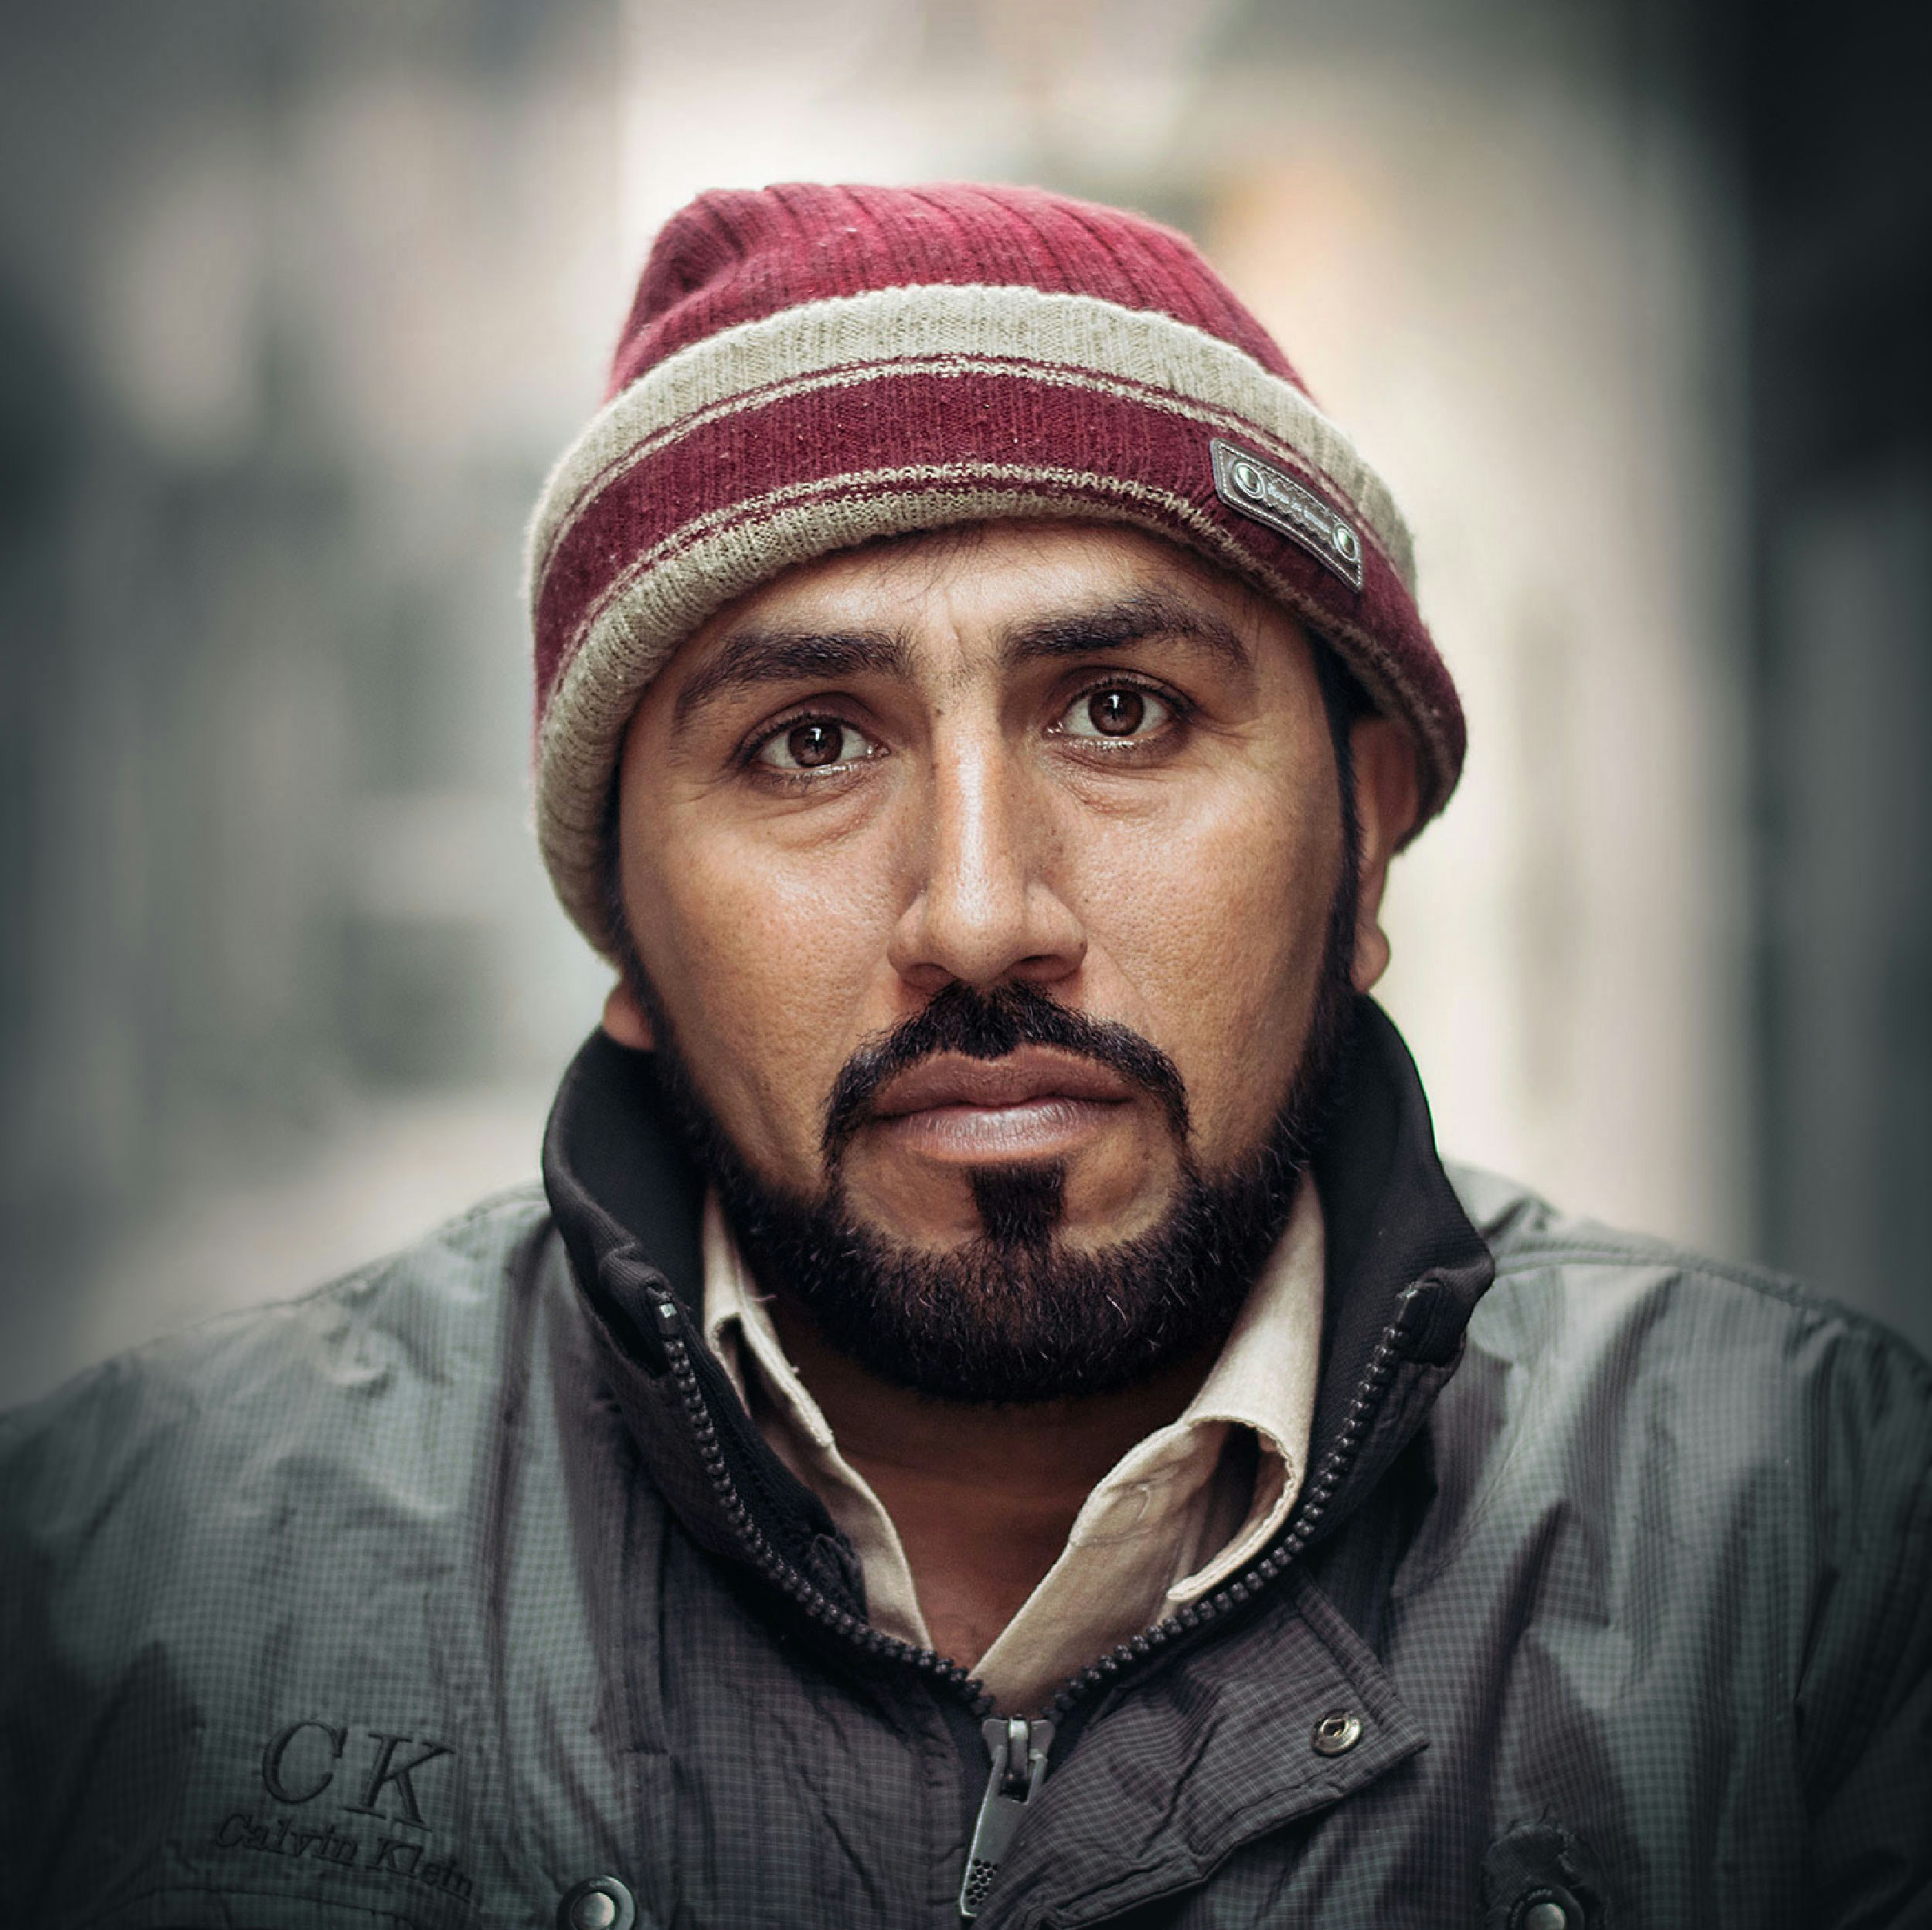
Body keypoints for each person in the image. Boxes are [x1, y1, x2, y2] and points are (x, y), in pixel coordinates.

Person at [2, 182, 1927, 1930]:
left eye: (1119, 707)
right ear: (621, 927)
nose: (978, 910)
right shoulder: (126, 1586)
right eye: (808, 744)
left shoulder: (1814, 1549)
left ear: (1361, 834)